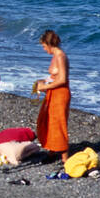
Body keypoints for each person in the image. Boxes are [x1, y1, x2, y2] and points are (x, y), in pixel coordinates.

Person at [35, 29, 71, 160]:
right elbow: (54, 77)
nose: (44, 49)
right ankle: (51, 150)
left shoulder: (60, 56)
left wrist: (45, 86)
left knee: (58, 123)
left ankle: (64, 157)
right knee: (48, 121)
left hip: (61, 94)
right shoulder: (55, 56)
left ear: (49, 44)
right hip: (53, 92)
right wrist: (43, 82)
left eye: (44, 46)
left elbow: (62, 79)